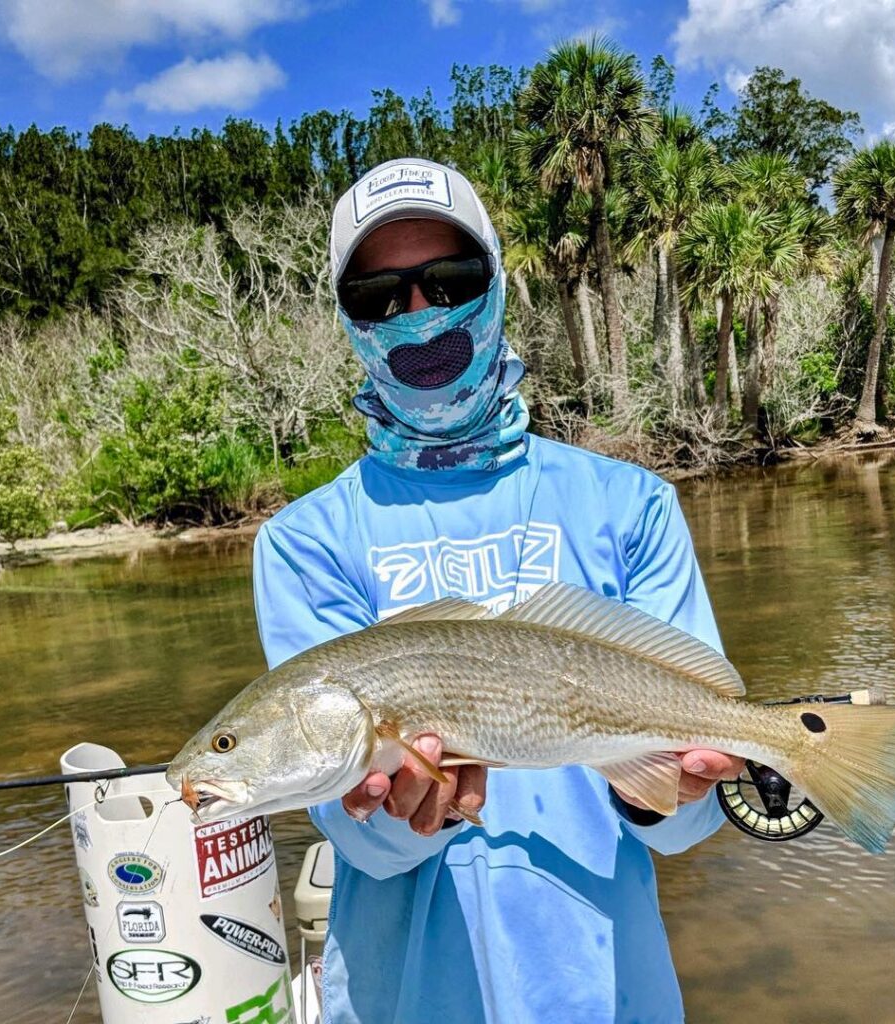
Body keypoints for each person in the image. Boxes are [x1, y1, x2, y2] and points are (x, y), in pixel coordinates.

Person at [253, 157, 744, 1024]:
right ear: (347, 319)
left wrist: (663, 788)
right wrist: (404, 823)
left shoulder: (630, 505)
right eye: (379, 296)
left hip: (608, 993)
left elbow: (683, 828)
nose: (420, 315)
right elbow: (356, 837)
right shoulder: (302, 545)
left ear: (497, 283)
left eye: (449, 280)